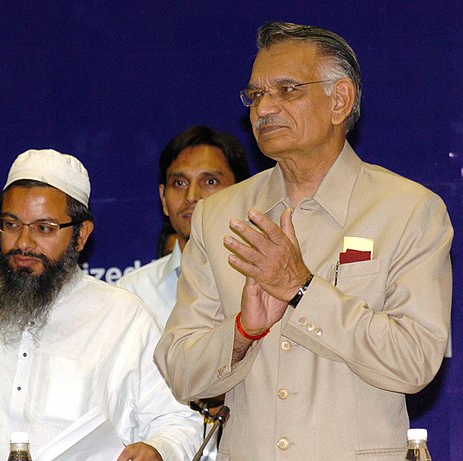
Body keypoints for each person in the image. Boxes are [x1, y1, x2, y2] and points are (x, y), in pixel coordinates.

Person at [154, 21, 453, 460]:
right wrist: (242, 332)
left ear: (340, 100)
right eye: (255, 95)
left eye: (287, 90)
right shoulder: (219, 217)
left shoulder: (408, 210)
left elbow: (414, 362)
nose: (263, 109)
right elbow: (180, 371)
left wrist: (302, 290)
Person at [0, 149, 201, 461]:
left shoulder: (122, 317)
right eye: (12, 224)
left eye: (44, 228)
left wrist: (157, 450)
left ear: (80, 235)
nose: (24, 243)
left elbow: (179, 421)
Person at [118, 125, 249, 329]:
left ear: (242, 193)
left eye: (210, 181)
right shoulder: (133, 293)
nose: (191, 197)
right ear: (163, 198)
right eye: (179, 183)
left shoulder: (266, 281)